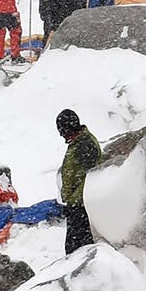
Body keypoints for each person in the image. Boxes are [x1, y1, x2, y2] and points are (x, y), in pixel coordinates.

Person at [55, 109, 101, 256]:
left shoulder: (85, 145)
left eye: (62, 131)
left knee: (78, 249)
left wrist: (75, 203)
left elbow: (90, 177)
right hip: (76, 205)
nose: (61, 135)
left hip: (82, 207)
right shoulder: (77, 143)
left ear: (69, 128)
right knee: (75, 248)